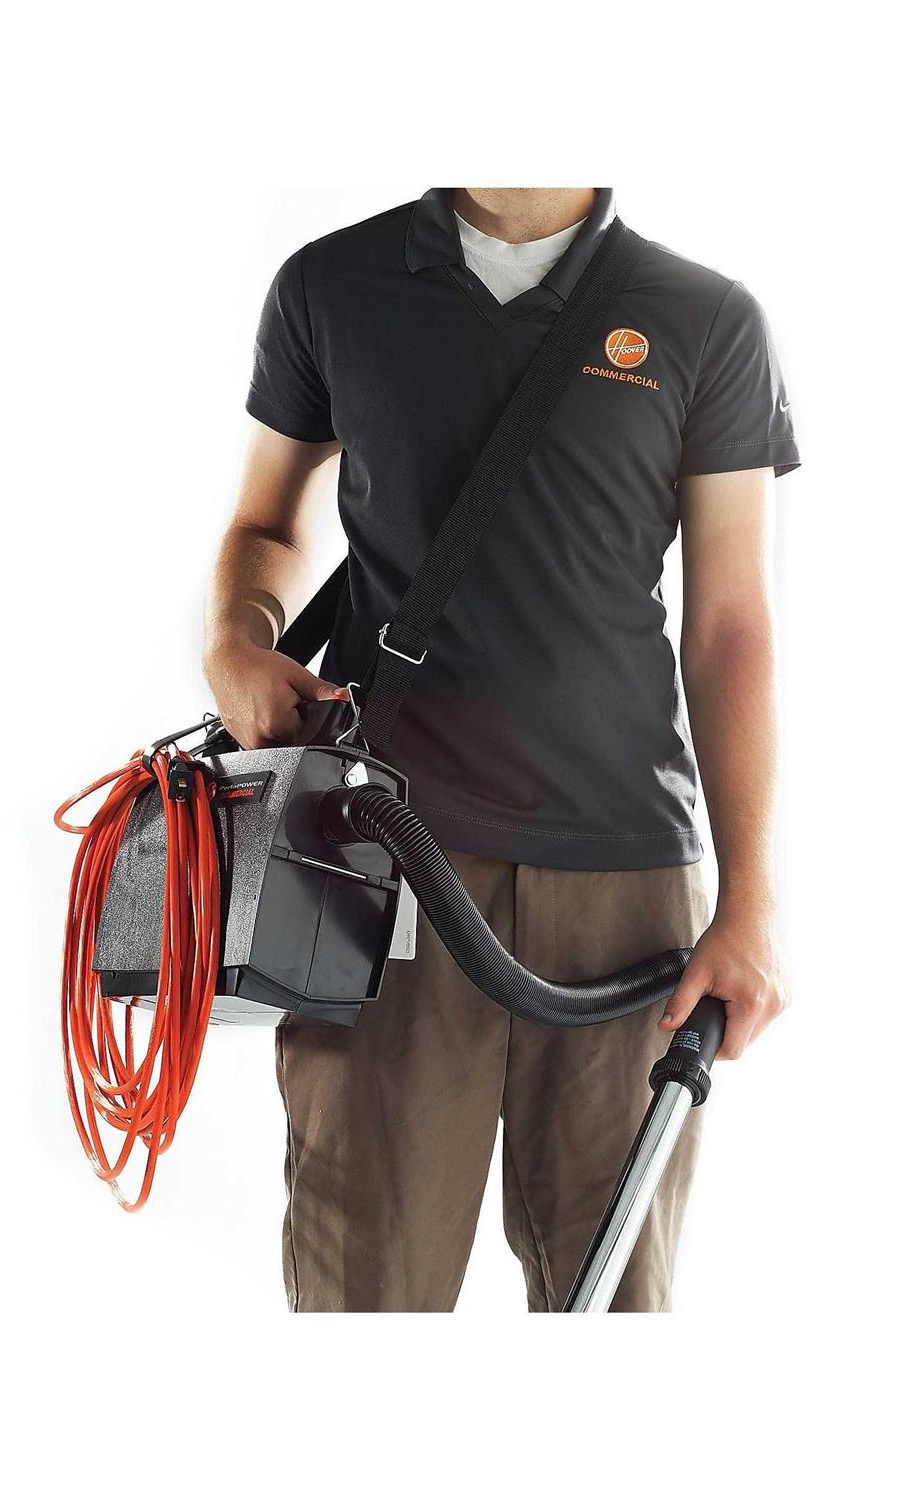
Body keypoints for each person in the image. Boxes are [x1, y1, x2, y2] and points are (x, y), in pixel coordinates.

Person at [204, 188, 799, 1312]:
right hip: (379, 865)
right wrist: (235, 641)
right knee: (362, 1293)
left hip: (627, 892)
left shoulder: (705, 316)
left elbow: (731, 626)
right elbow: (267, 524)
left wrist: (752, 902)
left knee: (614, 1301)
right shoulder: (331, 284)